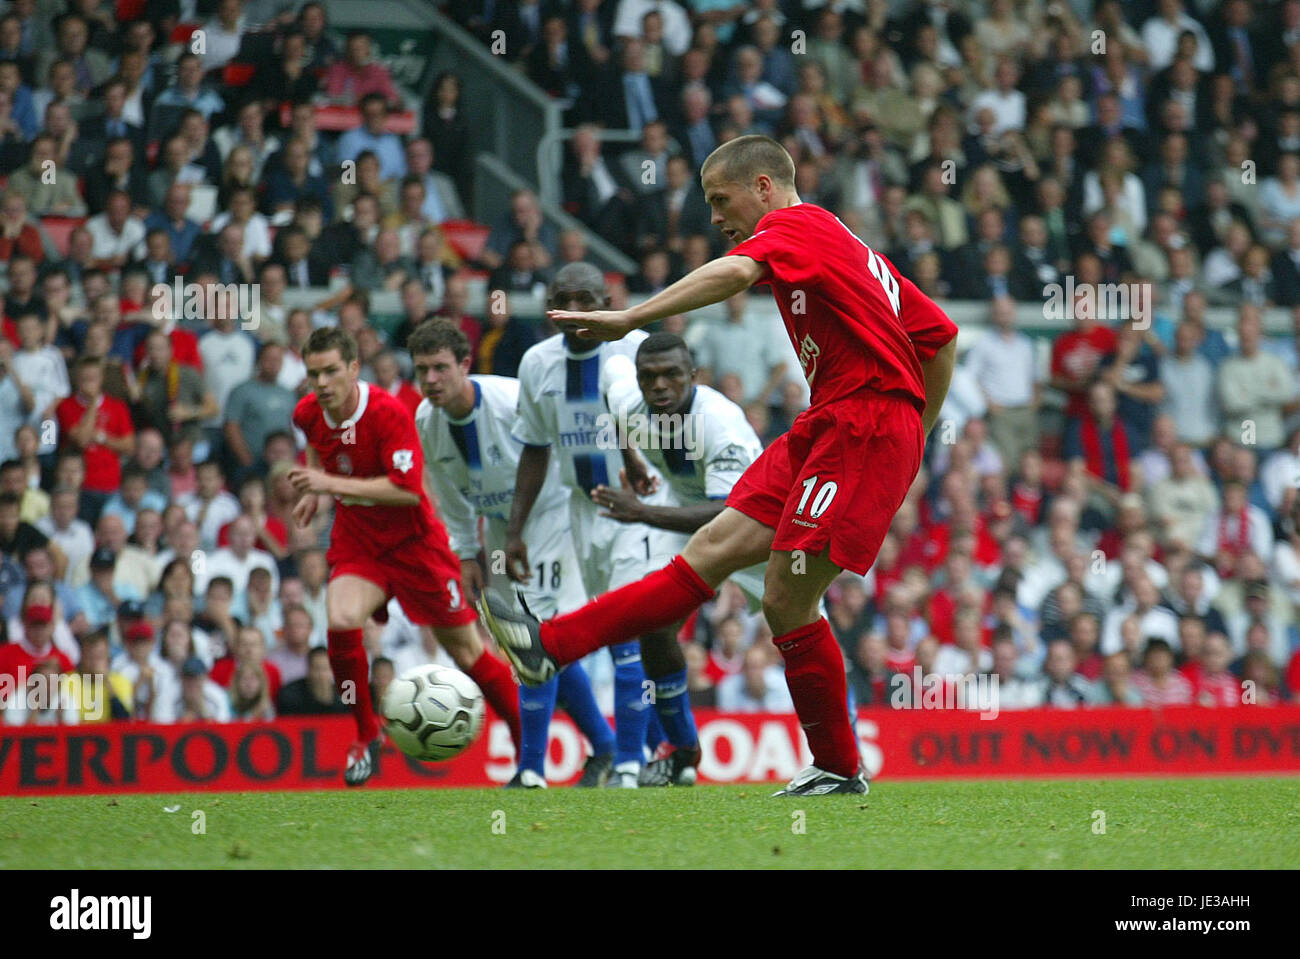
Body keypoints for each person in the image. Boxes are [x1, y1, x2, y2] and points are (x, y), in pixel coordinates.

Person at [480, 135, 958, 797]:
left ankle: (841, 768)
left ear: (764, 187)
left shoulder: (798, 224)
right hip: (831, 423)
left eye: (719, 198)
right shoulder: (843, 246)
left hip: (863, 423)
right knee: (712, 549)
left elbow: (733, 272)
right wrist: (917, 432)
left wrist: (632, 317)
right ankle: (547, 646)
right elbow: (938, 336)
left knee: (788, 595)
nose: (713, 216)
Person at [289, 326, 521, 786]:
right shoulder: (306, 414)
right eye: (313, 373)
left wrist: (328, 485)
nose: (322, 383)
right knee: (340, 619)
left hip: (416, 545)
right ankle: (365, 735)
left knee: (468, 651)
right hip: (360, 543)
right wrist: (316, 486)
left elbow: (407, 492)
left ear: (354, 369)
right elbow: (322, 451)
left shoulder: (390, 413)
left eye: (332, 371)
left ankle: (524, 743)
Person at [409, 318, 616, 789]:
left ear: (465, 364)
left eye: (441, 367)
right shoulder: (427, 419)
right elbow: (448, 494)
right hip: (501, 526)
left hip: (549, 512)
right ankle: (604, 746)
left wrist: (516, 531)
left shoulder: (507, 400)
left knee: (533, 634)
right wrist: (466, 553)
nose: (431, 380)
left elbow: (548, 456)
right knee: (522, 638)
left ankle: (531, 770)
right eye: (422, 370)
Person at [593, 330, 768, 784]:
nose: (660, 386)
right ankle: (683, 751)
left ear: (694, 376)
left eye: (672, 375)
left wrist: (642, 512)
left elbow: (728, 515)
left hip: (757, 521)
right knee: (652, 624)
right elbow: (612, 373)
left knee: (802, 627)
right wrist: (631, 460)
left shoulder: (720, 422)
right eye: (648, 377)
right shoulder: (626, 398)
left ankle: (846, 751)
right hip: (683, 507)